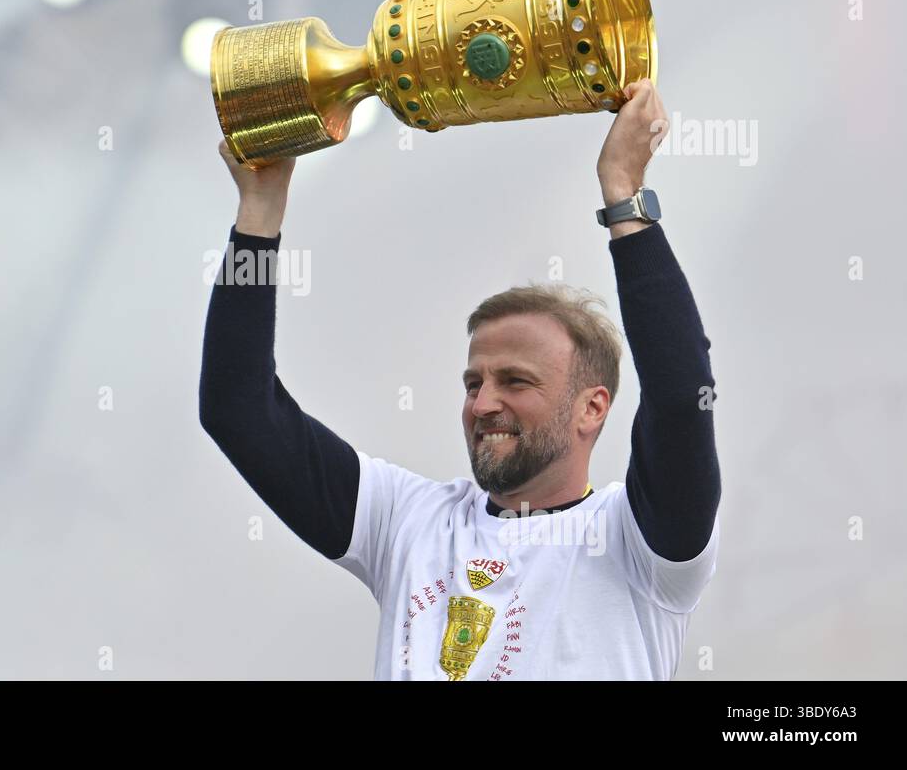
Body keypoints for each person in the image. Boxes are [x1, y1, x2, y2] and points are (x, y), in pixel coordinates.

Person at [199, 80, 721, 680]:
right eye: (474, 383)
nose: (484, 403)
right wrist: (259, 216)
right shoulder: (408, 522)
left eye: (516, 382)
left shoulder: (638, 544)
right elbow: (238, 410)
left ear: (592, 408)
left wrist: (624, 196)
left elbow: (683, 397)